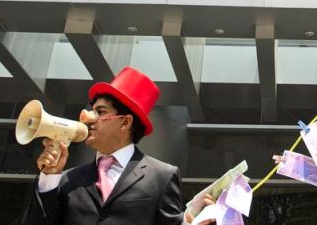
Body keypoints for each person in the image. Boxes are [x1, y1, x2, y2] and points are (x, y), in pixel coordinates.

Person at [24, 66, 213, 225]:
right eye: (92, 110)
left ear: (125, 122)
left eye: (101, 111)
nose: (90, 118)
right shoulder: (65, 179)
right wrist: (48, 179)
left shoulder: (162, 176)